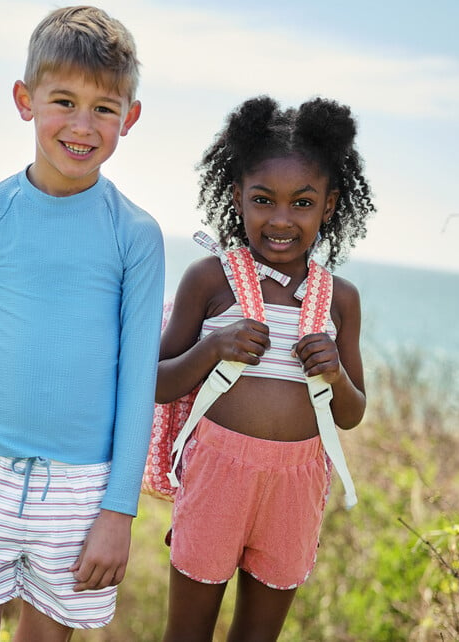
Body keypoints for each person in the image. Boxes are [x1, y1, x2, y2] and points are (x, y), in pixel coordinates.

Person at [0, 5, 164, 642]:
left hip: (82, 493)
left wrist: (118, 511)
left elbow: (138, 383)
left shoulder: (136, 235)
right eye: (64, 102)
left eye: (105, 108)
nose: (83, 126)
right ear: (25, 100)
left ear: (129, 117)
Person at [157, 96, 376, 641]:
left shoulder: (340, 299)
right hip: (218, 471)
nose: (281, 219)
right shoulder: (209, 279)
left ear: (329, 206)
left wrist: (336, 375)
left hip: (298, 483)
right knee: (187, 632)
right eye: (263, 200)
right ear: (236, 198)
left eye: (302, 203)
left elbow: (351, 414)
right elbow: (155, 384)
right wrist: (212, 350)